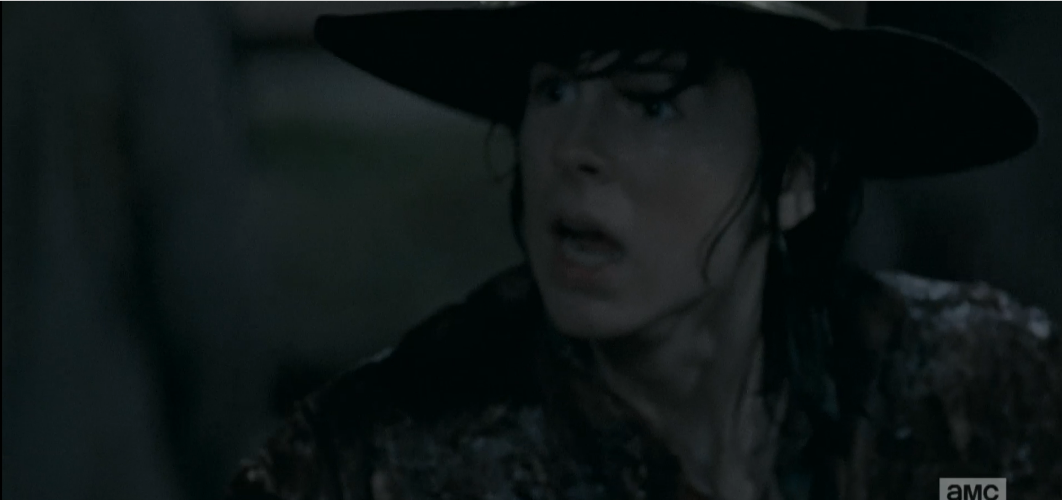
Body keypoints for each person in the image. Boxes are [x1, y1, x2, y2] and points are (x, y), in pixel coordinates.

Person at [226, 3, 1060, 499]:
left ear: (794, 177)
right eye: (553, 90)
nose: (572, 148)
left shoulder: (972, 397)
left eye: (651, 103)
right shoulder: (374, 465)